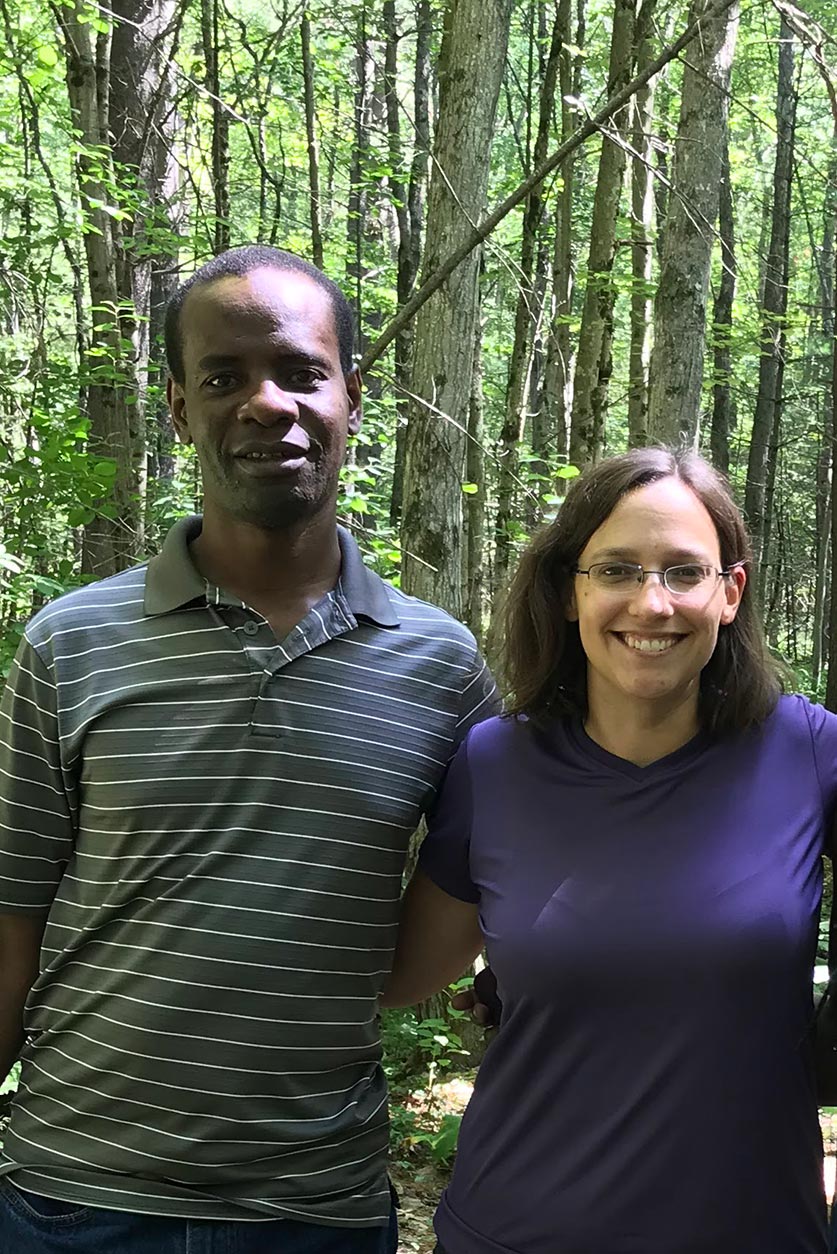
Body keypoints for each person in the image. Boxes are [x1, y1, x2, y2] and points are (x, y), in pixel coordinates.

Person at [0, 245, 498, 1254]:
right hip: (72, 1200)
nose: (267, 403)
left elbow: (458, 918)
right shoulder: (70, 642)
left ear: (351, 399)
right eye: (224, 377)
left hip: (316, 1207)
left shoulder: (441, 666)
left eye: (301, 372)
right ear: (180, 410)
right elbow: (11, 917)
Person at [383, 446, 836, 1254]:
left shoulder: (807, 752)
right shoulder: (493, 763)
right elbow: (399, 975)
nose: (651, 603)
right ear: (570, 591)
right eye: (617, 570)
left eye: (684, 572)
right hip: (512, 1232)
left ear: (729, 593)